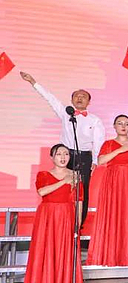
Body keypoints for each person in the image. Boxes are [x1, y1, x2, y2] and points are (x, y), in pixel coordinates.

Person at [20, 72, 104, 226]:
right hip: (66, 156)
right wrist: (33, 82)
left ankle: (78, 224)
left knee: (81, 190)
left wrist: (94, 161)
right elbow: (50, 98)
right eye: (76, 96)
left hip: (84, 158)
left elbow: (99, 141)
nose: (79, 98)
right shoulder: (66, 113)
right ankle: (62, 221)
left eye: (83, 96)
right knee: (63, 187)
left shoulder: (95, 120)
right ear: (71, 100)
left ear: (89, 102)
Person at [19, 144, 85, 283]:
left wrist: (77, 224)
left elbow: (79, 201)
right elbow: (42, 192)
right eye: (59, 154)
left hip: (66, 217)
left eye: (66, 154)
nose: (63, 157)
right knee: (46, 252)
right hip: (47, 218)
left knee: (64, 253)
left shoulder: (75, 175)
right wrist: (64, 181)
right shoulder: (44, 174)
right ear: (52, 157)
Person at [88, 115, 128, 266]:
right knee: (112, 214)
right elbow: (101, 161)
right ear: (114, 126)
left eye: (127, 123)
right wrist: (121, 150)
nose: (123, 126)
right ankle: (110, 254)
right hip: (112, 182)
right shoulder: (108, 143)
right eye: (120, 123)